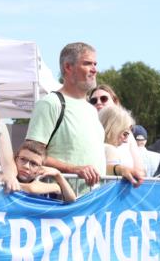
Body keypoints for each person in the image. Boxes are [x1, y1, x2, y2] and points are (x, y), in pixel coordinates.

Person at [25, 42, 140, 195]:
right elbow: (31, 156)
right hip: (59, 204)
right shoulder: (50, 104)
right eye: (87, 64)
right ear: (68, 67)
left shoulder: (91, 110)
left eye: (95, 64)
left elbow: (92, 168)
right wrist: (74, 170)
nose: (94, 69)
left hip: (90, 203)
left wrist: (120, 170)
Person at [87, 84, 146, 177]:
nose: (98, 102)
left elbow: (139, 168)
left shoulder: (128, 134)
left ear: (115, 101)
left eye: (103, 99)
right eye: (93, 101)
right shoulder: (87, 130)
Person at [99, 105, 136, 174]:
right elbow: (111, 182)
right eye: (125, 134)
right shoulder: (109, 149)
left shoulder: (93, 147)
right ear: (114, 129)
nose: (126, 140)